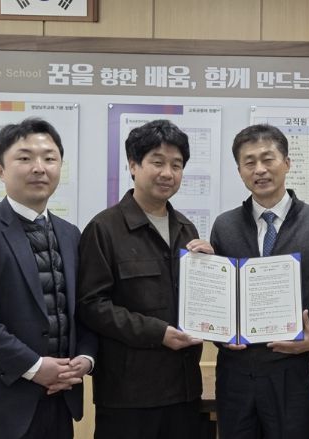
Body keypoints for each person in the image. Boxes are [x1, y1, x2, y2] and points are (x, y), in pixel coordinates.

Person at [0, 118, 97, 439]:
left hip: (59, 399)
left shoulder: (70, 234)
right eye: (24, 157)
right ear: (0, 170)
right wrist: (34, 367)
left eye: (49, 158)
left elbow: (83, 308)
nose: (39, 167)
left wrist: (86, 358)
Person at [77, 119, 212, 439]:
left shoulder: (186, 229)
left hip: (184, 389)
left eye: (176, 165)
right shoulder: (104, 228)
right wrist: (157, 333)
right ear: (133, 165)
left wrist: (212, 270)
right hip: (128, 395)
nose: (168, 173)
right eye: (157, 162)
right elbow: (91, 305)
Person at [209, 124, 309, 439]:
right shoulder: (225, 226)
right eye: (249, 162)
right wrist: (218, 335)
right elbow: (219, 298)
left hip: (290, 372)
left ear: (286, 163)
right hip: (235, 374)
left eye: (268, 159)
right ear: (240, 171)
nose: (260, 169)